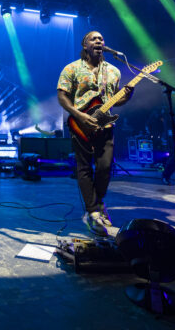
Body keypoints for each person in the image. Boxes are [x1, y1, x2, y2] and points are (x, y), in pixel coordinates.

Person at [57, 31, 133, 237]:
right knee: (84, 168)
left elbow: (115, 100)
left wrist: (128, 96)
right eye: (94, 38)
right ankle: (93, 211)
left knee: (105, 167)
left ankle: (98, 203)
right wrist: (79, 115)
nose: (99, 40)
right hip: (80, 123)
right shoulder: (71, 68)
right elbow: (62, 96)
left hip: (105, 126)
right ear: (85, 45)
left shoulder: (114, 71)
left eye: (101, 38)